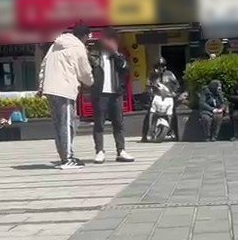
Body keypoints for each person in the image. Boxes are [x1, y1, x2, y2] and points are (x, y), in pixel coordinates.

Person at [38, 24, 94, 170]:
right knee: (68, 123)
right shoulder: (78, 47)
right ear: (85, 36)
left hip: (50, 89)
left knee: (59, 124)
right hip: (65, 89)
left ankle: (64, 156)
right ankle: (68, 158)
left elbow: (44, 65)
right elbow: (84, 71)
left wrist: (41, 85)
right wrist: (91, 82)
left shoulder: (55, 45)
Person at [89, 28, 134, 164]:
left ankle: (121, 150)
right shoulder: (94, 56)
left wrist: (115, 53)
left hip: (116, 93)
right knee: (99, 123)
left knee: (118, 123)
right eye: (107, 39)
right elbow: (87, 72)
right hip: (100, 94)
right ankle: (99, 151)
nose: (110, 42)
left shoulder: (118, 57)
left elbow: (126, 69)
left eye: (112, 40)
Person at [141, 57, 180, 142]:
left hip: (168, 98)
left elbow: (177, 85)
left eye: (162, 66)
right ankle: (144, 134)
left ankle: (176, 133)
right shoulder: (152, 75)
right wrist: (150, 94)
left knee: (173, 114)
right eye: (158, 66)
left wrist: (174, 92)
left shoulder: (170, 74)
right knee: (149, 114)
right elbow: (148, 86)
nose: (160, 68)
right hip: (156, 98)